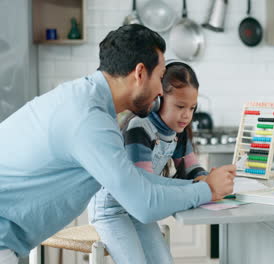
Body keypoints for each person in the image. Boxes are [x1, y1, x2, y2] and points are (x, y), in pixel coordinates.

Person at [0, 24, 235, 264]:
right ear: (140, 73)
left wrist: (200, 184)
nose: (160, 91)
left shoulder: (88, 103)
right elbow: (144, 205)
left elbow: (134, 180)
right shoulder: (90, 120)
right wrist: (207, 190)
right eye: (160, 77)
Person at [88, 61, 207, 263]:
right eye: (180, 106)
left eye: (192, 108)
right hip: (111, 210)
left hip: (138, 208)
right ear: (158, 99)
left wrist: (206, 178)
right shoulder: (139, 128)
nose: (186, 115)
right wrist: (200, 187)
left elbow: (191, 168)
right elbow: (145, 182)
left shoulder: (177, 131)